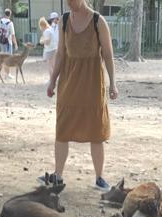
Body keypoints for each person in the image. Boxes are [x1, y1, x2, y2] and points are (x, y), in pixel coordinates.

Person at [40, 0, 118, 192]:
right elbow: (60, 54)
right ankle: (57, 175)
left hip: (93, 85)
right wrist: (52, 81)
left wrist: (113, 83)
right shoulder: (64, 21)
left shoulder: (98, 21)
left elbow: (108, 54)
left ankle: (99, 177)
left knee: (96, 132)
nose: (69, 3)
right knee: (62, 130)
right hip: (68, 84)